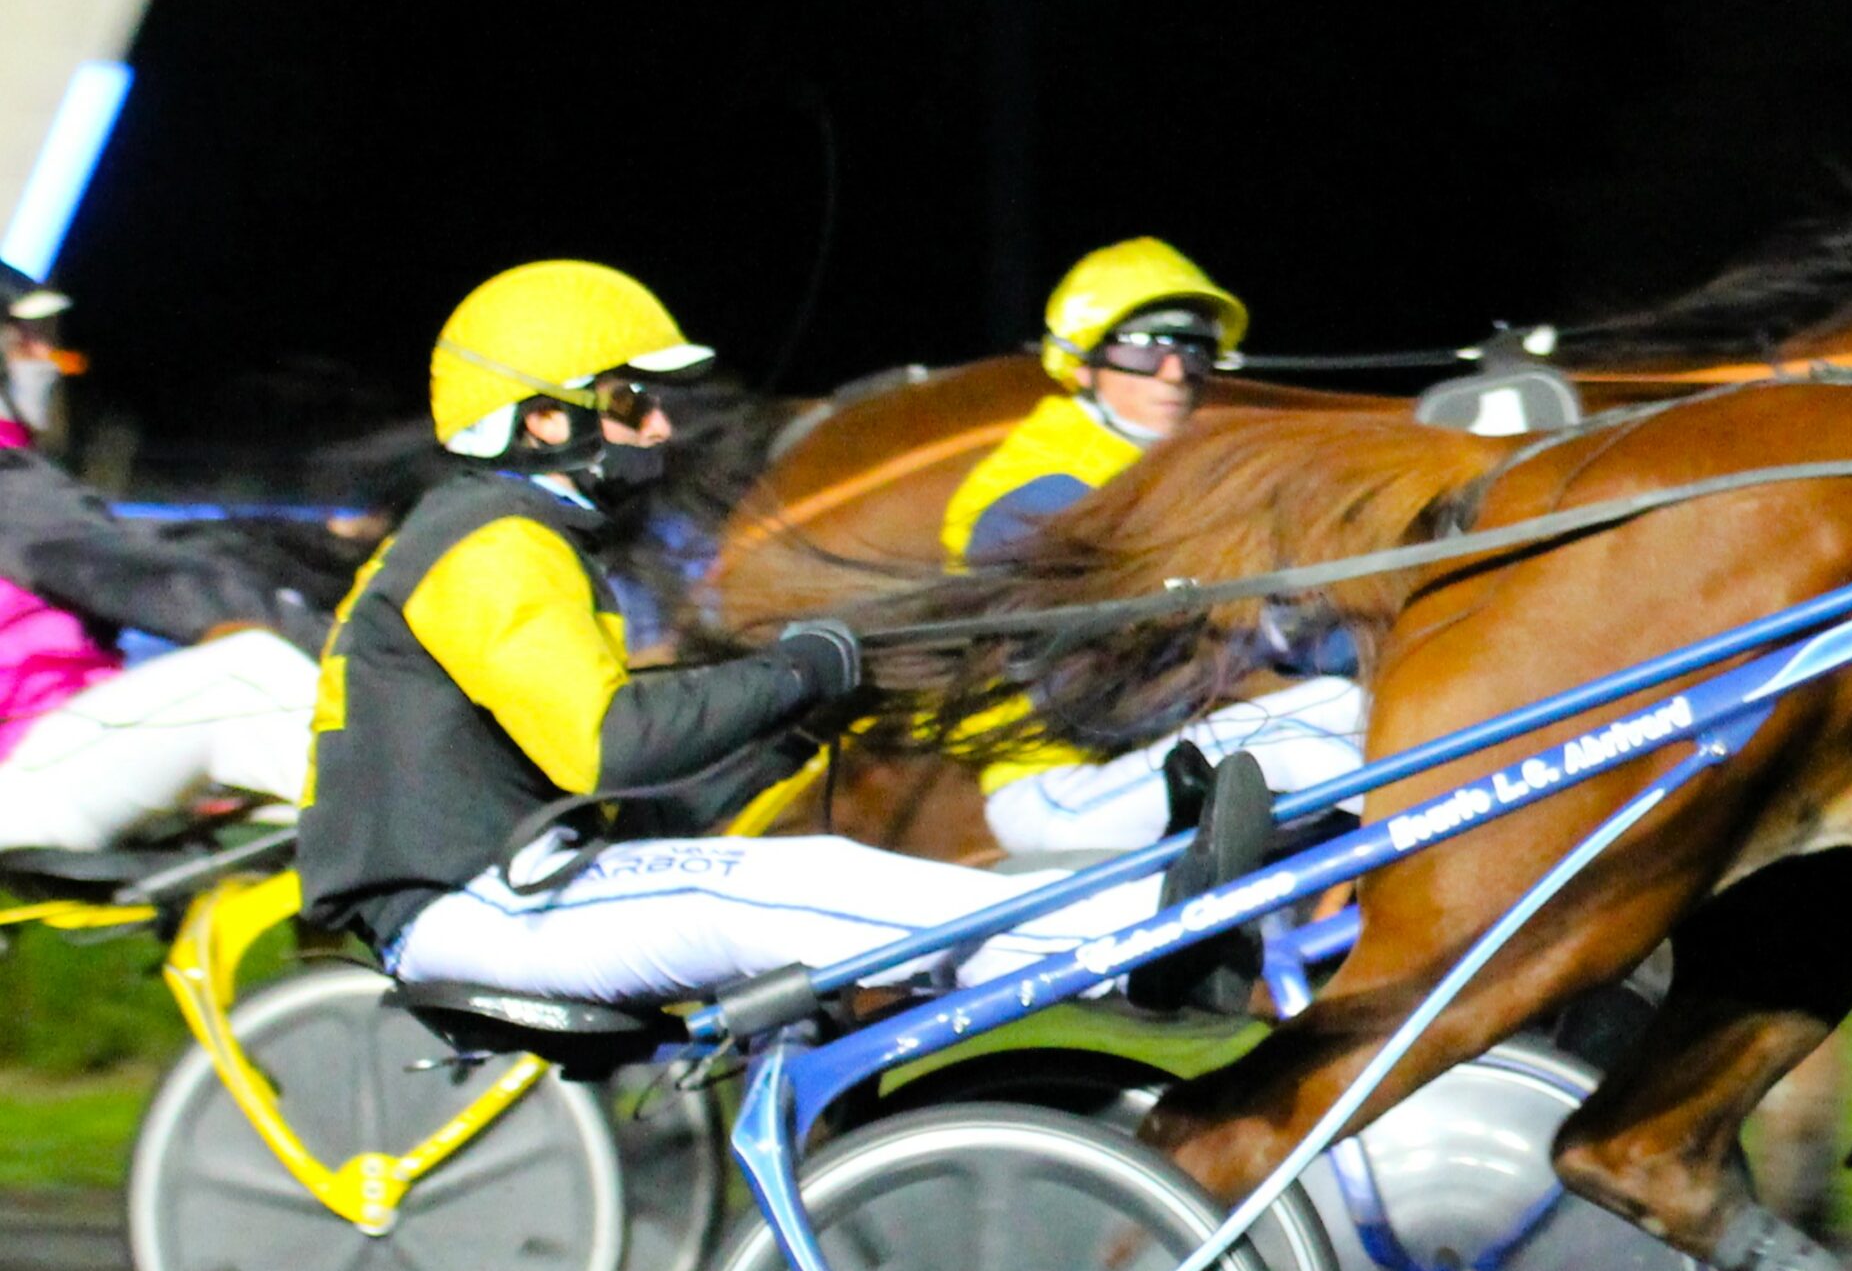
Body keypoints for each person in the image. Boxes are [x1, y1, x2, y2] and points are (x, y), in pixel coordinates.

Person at [302, 259, 1236, 1004]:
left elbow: (637, 776)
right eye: (631, 403)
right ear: (543, 419)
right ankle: (1127, 948)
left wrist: (800, 717)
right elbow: (613, 747)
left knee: (810, 878)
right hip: (471, 905)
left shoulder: (516, 540)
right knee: (782, 888)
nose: (659, 427)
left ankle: (1119, 931)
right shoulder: (491, 546)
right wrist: (800, 670)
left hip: (507, 883)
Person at [941, 237, 1366, 860]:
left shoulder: (1176, 472)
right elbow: (1095, 703)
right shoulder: (1037, 492)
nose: (1175, 373)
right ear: (1081, 364)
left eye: (1193, 350)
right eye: (1145, 349)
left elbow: (1306, 635)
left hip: (1155, 757)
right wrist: (1263, 637)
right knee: (1306, 745)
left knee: (1357, 706)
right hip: (1060, 786)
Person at [0, 275, 331, 854]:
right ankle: (454, 856)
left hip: (42, 760)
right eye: (22, 337)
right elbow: (141, 576)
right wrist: (341, 645)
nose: (44, 355)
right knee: (245, 676)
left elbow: (143, 545)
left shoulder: (19, 480)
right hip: (21, 777)